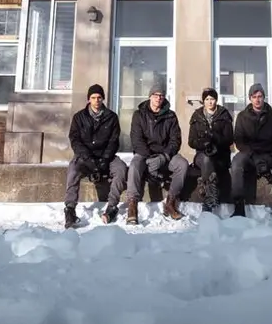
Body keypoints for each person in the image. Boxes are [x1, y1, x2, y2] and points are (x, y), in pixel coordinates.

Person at [64, 83, 127, 229]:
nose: (96, 100)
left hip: (106, 156)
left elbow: (114, 141)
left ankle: (112, 206)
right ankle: (70, 209)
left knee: (121, 169)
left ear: (103, 98)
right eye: (93, 97)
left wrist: (105, 159)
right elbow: (75, 140)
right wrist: (88, 158)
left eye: (99, 97)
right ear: (89, 99)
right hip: (85, 157)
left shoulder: (112, 117)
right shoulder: (79, 117)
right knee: (73, 169)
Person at [230, 83, 272, 219]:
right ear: (250, 98)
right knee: (236, 163)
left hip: (271, 155)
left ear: (264, 97)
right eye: (254, 97)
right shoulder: (242, 117)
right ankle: (238, 206)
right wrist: (253, 156)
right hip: (249, 155)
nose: (257, 100)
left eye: (260, 96)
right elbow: (239, 140)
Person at [126, 82, 189, 224]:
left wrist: (164, 156)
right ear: (150, 96)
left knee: (182, 164)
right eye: (155, 95)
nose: (158, 98)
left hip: (165, 154)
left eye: (161, 95)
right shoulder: (139, 115)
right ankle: (132, 205)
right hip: (144, 154)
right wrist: (148, 158)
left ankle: (171, 202)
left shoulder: (170, 116)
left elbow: (175, 140)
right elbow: (136, 139)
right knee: (134, 165)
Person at [187, 87, 234, 214]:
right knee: (207, 160)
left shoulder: (224, 114)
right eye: (207, 99)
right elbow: (191, 141)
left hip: (220, 155)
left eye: (212, 99)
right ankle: (211, 196)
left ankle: (207, 198)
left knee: (212, 162)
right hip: (201, 154)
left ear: (216, 100)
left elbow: (229, 138)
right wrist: (204, 143)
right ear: (203, 101)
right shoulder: (197, 116)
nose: (210, 102)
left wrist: (216, 138)